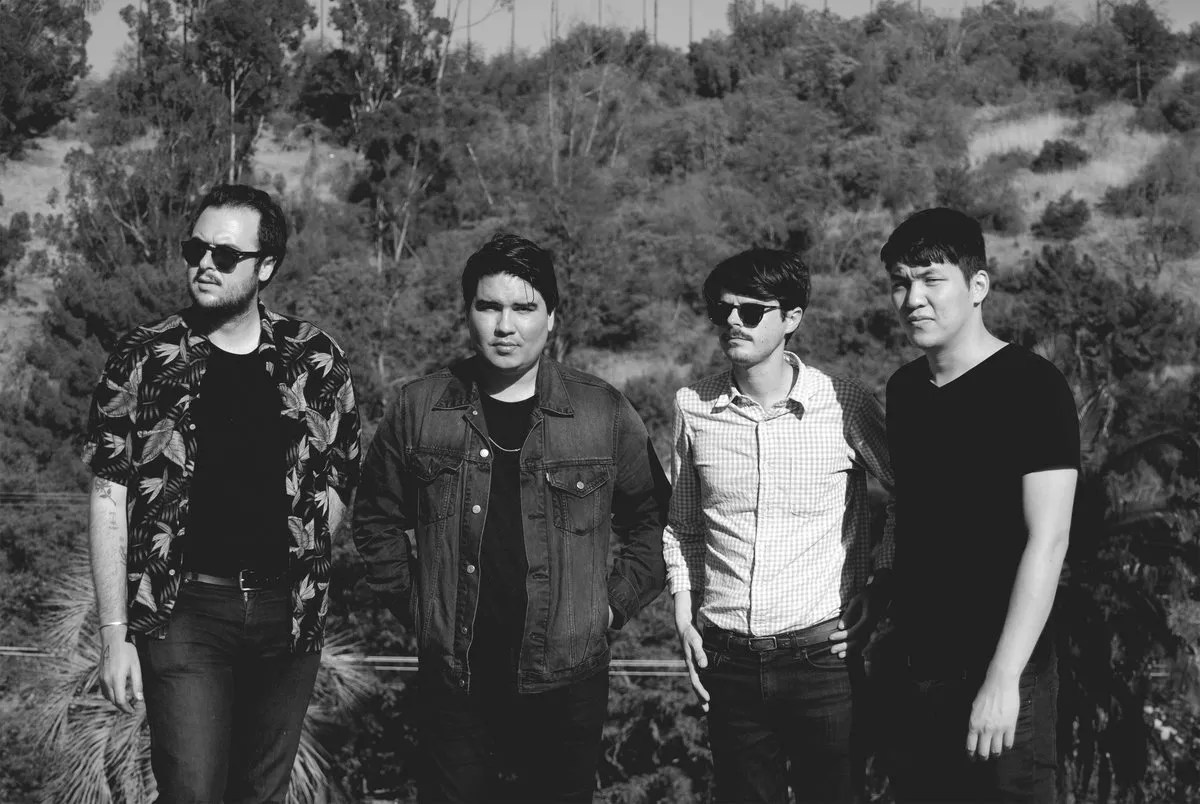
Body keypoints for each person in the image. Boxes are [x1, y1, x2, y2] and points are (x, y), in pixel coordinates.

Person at [353, 232, 669, 803]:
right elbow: (375, 518)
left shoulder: (600, 411)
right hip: (455, 678)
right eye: (489, 306)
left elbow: (655, 520)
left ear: (552, 318)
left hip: (568, 678)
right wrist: (420, 607)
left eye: (524, 308)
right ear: (467, 312)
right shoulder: (419, 407)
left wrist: (610, 605)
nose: (505, 326)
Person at [83, 184, 361, 803]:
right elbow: (108, 497)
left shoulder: (316, 359)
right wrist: (114, 632)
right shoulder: (142, 358)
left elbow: (341, 474)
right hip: (184, 611)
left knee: (260, 793)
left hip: (288, 615)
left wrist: (307, 552)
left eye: (226, 255)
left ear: (266, 267)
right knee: (192, 790)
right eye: (196, 249)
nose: (205, 264)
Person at [662, 248, 896, 803]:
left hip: (823, 657)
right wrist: (683, 614)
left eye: (750, 311)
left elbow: (908, 495)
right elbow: (683, 526)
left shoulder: (843, 402)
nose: (732, 322)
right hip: (727, 660)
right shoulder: (693, 407)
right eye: (722, 310)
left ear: (792, 318)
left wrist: (882, 583)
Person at [880, 207, 1079, 802]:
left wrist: (1003, 678)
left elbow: (1049, 539)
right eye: (900, 282)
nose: (913, 298)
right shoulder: (904, 390)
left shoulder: (1033, 386)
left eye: (931, 279)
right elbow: (916, 515)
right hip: (917, 669)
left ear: (978, 286)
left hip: (1005, 673)